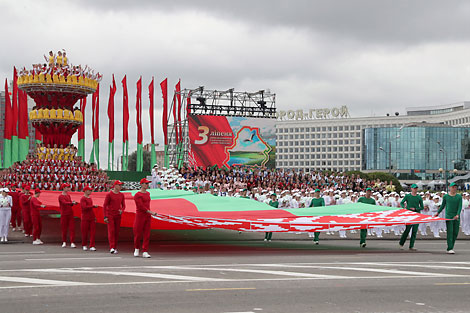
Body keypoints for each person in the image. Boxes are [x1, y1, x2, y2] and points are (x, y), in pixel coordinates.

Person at [435, 182, 463, 254]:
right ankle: (450, 248)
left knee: (455, 233)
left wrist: (457, 214)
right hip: (449, 216)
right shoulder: (446, 197)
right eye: (452, 187)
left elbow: (460, 207)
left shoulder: (459, 197)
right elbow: (442, 205)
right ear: (449, 187)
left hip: (456, 216)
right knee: (450, 232)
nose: (454, 188)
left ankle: (451, 246)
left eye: (455, 187)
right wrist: (438, 213)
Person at [133, 178, 157, 258]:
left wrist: (150, 213)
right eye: (146, 184)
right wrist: (151, 212)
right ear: (142, 184)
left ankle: (145, 250)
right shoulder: (137, 195)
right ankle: (136, 249)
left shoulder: (148, 194)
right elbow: (140, 206)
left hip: (147, 216)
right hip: (140, 216)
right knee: (138, 233)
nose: (147, 185)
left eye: (148, 183)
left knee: (147, 234)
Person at [399, 184, 424, 251]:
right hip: (409, 215)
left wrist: (416, 208)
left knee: (414, 231)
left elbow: (422, 207)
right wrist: (404, 208)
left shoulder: (419, 197)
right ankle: (401, 243)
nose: (415, 189)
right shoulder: (408, 196)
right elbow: (402, 202)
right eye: (414, 188)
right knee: (407, 230)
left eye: (416, 188)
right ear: (411, 189)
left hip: (416, 215)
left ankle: (411, 245)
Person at [103, 180, 126, 254]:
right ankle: (112, 247)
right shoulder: (109, 194)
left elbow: (124, 205)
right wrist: (105, 216)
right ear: (115, 186)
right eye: (119, 185)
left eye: (121, 185)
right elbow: (105, 205)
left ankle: (115, 247)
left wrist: (122, 210)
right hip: (110, 215)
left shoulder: (121, 195)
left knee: (116, 231)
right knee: (111, 231)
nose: (120, 187)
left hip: (118, 215)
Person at [58, 183, 78, 248]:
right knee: (64, 228)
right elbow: (64, 203)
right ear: (63, 188)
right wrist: (71, 203)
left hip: (70, 213)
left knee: (72, 228)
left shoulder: (68, 196)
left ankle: (72, 242)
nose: (68, 188)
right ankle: (64, 242)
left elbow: (69, 203)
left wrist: (73, 203)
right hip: (64, 214)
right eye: (67, 187)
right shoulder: (60, 196)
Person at [80, 185, 97, 251]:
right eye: (89, 190)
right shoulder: (83, 198)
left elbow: (90, 209)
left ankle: (92, 245)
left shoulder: (90, 198)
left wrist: (94, 216)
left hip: (91, 217)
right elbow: (84, 207)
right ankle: (84, 244)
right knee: (84, 232)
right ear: (85, 191)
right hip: (85, 217)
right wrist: (92, 206)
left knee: (93, 232)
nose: (90, 191)